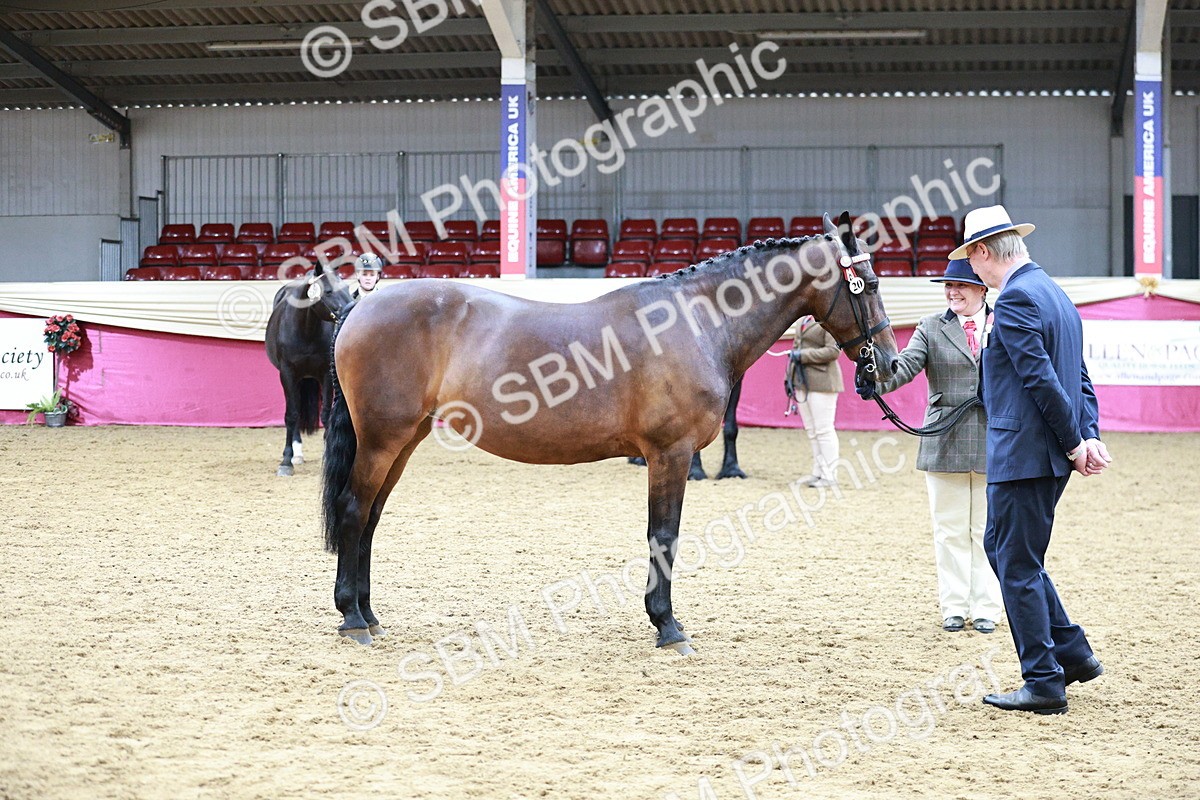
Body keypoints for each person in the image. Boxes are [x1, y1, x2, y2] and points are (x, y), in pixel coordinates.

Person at [949, 204, 1112, 715]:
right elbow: (1078, 376)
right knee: (1002, 547)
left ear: (982, 252)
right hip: (1041, 452)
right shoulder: (1053, 293)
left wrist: (1075, 443)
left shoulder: (1016, 299)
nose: (970, 271)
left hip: (1026, 453)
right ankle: (1073, 652)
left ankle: (1044, 681)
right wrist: (1088, 435)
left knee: (1016, 563)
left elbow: (1043, 381)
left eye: (970, 261)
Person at [863, 258, 1003, 635]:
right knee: (950, 529)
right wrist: (875, 378)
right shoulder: (930, 327)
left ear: (982, 289)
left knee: (988, 530)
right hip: (946, 438)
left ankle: (987, 606)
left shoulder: (1005, 322)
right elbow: (903, 368)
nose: (953, 292)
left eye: (961, 286)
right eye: (948, 286)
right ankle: (954, 606)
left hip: (997, 440)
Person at [785, 314, 843, 488]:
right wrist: (789, 376)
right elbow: (797, 345)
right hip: (803, 381)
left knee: (824, 430)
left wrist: (802, 355)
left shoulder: (829, 321)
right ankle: (818, 472)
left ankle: (830, 474)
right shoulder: (803, 320)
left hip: (823, 381)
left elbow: (833, 351)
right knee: (812, 431)